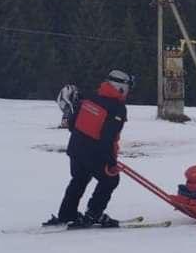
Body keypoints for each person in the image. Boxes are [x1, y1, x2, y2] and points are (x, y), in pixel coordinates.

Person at [46, 69, 132, 227]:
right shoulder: (117, 108)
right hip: (95, 152)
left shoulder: (90, 97)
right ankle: (94, 214)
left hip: (76, 149)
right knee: (111, 180)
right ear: (120, 86)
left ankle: (67, 213)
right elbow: (109, 138)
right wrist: (111, 162)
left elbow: (72, 124)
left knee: (79, 179)